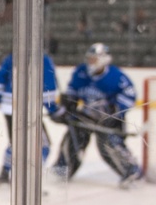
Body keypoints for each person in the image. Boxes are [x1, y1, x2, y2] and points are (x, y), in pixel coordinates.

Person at [51, 43, 143, 188]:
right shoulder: (81, 72)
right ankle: (61, 170)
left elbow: (129, 96)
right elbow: (72, 92)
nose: (90, 62)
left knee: (109, 144)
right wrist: (67, 106)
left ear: (103, 59)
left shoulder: (116, 76)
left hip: (109, 118)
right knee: (73, 138)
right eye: (89, 59)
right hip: (87, 116)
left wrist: (115, 110)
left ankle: (131, 170)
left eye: (94, 59)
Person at [0, 52, 61, 184]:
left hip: (9, 108)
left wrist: (4, 102)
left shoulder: (12, 57)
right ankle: (29, 181)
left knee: (16, 142)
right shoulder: (43, 59)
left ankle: (5, 173)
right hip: (28, 109)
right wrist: (54, 109)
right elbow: (48, 86)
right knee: (43, 145)